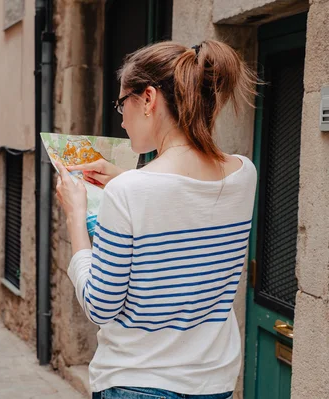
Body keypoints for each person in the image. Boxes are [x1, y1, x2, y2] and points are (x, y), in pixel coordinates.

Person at [55, 40, 259, 399]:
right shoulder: (244, 174)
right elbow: (187, 204)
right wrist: (121, 178)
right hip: (213, 382)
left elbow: (100, 305)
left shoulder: (130, 193)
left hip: (138, 380)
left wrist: (75, 217)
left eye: (122, 103)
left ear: (148, 99)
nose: (120, 117)